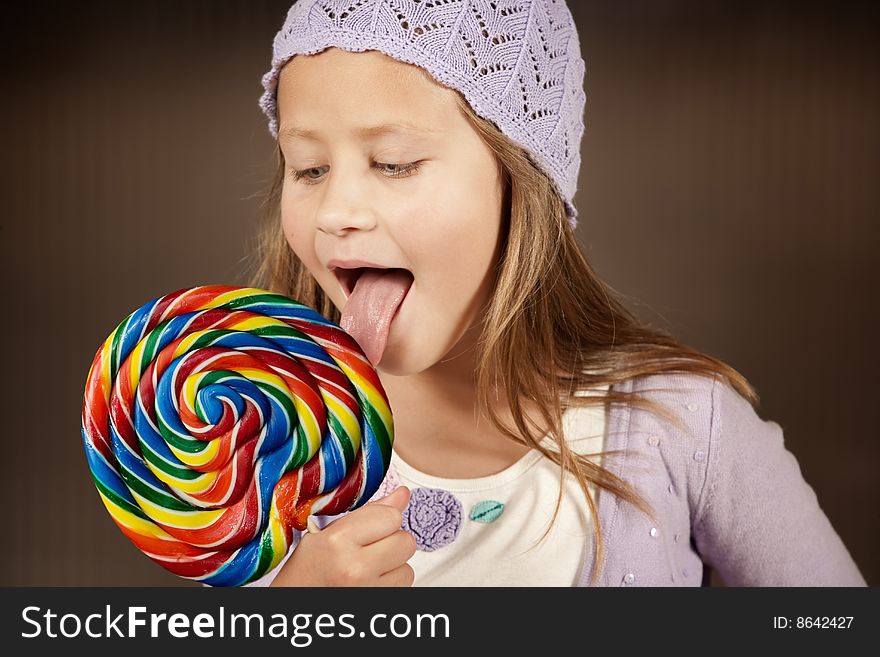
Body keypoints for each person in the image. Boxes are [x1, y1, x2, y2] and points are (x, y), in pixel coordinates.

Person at [243, 0, 866, 587]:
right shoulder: (265, 441)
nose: (336, 212)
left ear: (525, 181)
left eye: (396, 162)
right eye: (309, 169)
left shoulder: (682, 428)